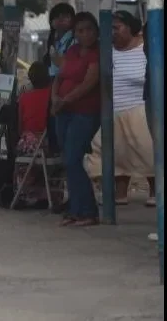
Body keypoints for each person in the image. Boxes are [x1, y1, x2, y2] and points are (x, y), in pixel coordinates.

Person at [86, 10, 155, 206]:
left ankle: (155, 190)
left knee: (147, 151)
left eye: (117, 28)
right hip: (113, 109)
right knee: (114, 153)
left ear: (130, 28)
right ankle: (121, 192)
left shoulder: (145, 48)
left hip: (139, 108)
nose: (113, 32)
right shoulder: (107, 51)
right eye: (110, 29)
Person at [51, 12, 101, 227]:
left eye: (89, 29)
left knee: (73, 158)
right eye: (80, 30)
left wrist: (65, 100)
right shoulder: (72, 50)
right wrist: (55, 98)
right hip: (63, 111)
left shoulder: (97, 53)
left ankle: (88, 211)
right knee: (68, 161)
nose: (85, 34)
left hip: (84, 111)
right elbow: (59, 76)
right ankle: (75, 208)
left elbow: (89, 83)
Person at [13, 61, 58, 209]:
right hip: (50, 143)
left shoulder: (25, 98)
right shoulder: (52, 95)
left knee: (21, 155)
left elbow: (20, 126)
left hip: (30, 143)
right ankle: (47, 193)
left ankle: (24, 194)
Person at [42, 3, 76, 155]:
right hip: (53, 82)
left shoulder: (73, 40)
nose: (61, 20)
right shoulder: (54, 39)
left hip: (66, 83)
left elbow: (65, 65)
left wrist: (56, 57)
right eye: (57, 17)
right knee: (53, 122)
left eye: (65, 16)